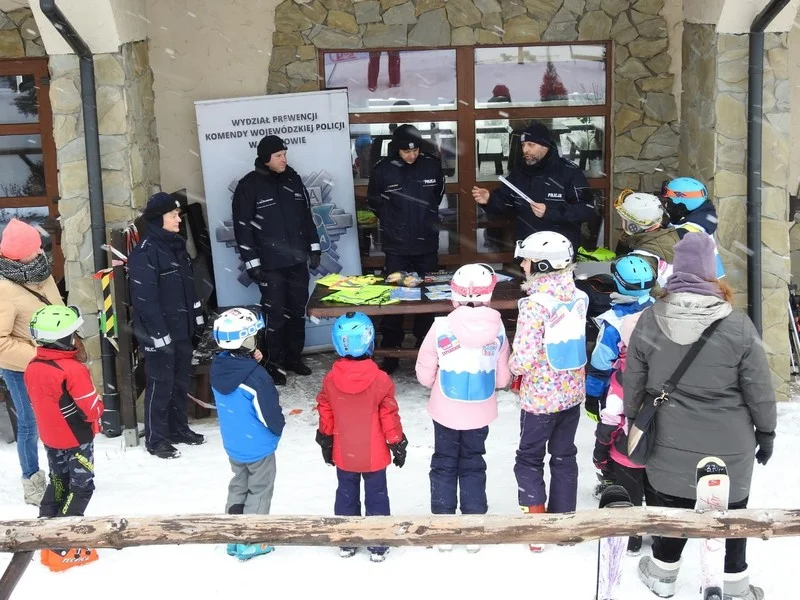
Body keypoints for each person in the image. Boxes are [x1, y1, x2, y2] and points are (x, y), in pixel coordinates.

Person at [625, 233, 776, 600]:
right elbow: (759, 388)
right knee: (732, 512)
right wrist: (767, 433)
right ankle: (737, 585)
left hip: (668, 435)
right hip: (730, 443)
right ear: (712, 272)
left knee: (671, 506)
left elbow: (634, 382)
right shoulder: (737, 325)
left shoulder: (649, 319)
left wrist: (635, 422)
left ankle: (663, 575)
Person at [415, 264, 511, 553]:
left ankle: (444, 526)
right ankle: (473, 526)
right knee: (473, 461)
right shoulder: (499, 328)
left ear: (454, 296)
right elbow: (503, 377)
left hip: (445, 407)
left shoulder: (440, 327)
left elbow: (424, 370)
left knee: (444, 461)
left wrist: (433, 383)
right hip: (479, 410)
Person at [509, 231, 588, 552]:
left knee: (528, 458)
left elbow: (524, 358)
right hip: (571, 395)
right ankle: (563, 522)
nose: (523, 265)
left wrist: (513, 367)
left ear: (542, 265)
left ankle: (537, 525)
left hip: (540, 400)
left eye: (526, 260)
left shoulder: (534, 305)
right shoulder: (579, 297)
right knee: (564, 456)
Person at [315, 312, 407, 562]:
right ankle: (377, 543)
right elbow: (388, 416)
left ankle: (346, 540)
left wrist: (325, 437)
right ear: (369, 341)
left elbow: (326, 410)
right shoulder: (380, 379)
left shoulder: (331, 379)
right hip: (374, 453)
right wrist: (397, 442)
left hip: (345, 451)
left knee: (346, 494)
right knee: (377, 496)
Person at [232, 135, 321, 385]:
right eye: (279, 156)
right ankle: (273, 363)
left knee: (296, 311)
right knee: (276, 315)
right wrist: (252, 263)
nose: (284, 159)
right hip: (270, 266)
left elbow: (306, 216)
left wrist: (314, 248)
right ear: (265, 159)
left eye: (285, 154)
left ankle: (294, 357)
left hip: (296, 262)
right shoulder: (248, 186)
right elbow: (243, 229)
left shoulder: (293, 179)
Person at [128, 192, 206, 459]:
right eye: (172, 215)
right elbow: (144, 300)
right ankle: (157, 438)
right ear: (158, 218)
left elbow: (188, 286)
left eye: (178, 214)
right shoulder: (145, 253)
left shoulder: (176, 245)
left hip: (182, 328)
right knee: (160, 383)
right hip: (159, 333)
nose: (178, 218)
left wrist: (196, 316)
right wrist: (158, 334)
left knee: (180, 381)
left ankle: (178, 428)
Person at [25, 305, 103, 571]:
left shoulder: (33, 366)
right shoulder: (72, 369)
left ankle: (46, 528)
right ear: (66, 337)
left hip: (51, 436)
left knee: (58, 480)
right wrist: (99, 411)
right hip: (77, 437)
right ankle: (63, 544)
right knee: (81, 486)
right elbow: (90, 407)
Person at [587, 258, 655, 557]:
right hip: (656, 395)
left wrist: (593, 395)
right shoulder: (660, 312)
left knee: (616, 438)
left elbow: (602, 361)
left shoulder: (615, 321)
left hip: (619, 391)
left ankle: (614, 486)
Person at [367, 124, 445, 374]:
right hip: (397, 247)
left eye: (415, 150)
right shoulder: (383, 170)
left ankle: (426, 348)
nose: (412, 155)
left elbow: (438, 194)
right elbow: (375, 202)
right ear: (396, 149)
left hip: (426, 245)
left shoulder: (432, 164)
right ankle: (392, 352)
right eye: (406, 151)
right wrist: (395, 222)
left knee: (428, 300)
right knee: (394, 301)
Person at [211, 307, 285, 561]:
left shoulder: (218, 368)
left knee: (239, 485)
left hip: (234, 443)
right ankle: (252, 540)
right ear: (246, 340)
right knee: (260, 489)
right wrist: (278, 427)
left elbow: (236, 375)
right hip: (258, 445)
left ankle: (234, 535)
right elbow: (269, 414)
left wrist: (250, 361)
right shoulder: (257, 377)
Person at [0, 218, 63, 505]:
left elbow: (57, 310)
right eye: (34, 248)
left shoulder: (43, 274)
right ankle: (32, 480)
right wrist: (38, 357)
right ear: (18, 253)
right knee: (30, 424)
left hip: (57, 360)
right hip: (23, 368)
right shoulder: (4, 289)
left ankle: (64, 471)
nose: (41, 252)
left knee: (61, 418)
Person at [471, 121, 596, 252]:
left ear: (545, 146)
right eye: (523, 145)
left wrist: (551, 213)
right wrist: (490, 200)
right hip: (527, 249)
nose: (525, 149)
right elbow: (505, 203)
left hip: (560, 251)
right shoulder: (519, 173)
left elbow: (587, 209)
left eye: (531, 144)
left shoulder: (569, 172)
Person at [613, 189, 680, 288]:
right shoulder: (673, 237)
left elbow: (645, 294)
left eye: (624, 219)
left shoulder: (640, 260)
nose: (622, 222)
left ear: (634, 225)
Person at [662, 176, 725, 278]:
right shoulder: (699, 219)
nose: (666, 207)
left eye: (669, 203)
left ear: (684, 204)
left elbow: (664, 243)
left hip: (699, 287)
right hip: (702, 282)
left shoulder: (692, 230)